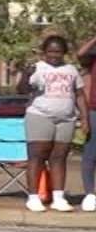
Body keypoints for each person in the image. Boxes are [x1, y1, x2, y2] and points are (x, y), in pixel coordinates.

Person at [21, 35, 86, 213]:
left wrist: (84, 119)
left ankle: (58, 197)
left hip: (66, 118)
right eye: (50, 51)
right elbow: (22, 90)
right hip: (40, 115)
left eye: (58, 52)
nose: (54, 55)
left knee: (59, 157)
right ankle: (33, 197)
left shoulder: (71, 70)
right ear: (44, 52)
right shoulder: (38, 68)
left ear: (64, 53)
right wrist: (26, 74)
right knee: (37, 155)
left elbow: (79, 94)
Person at [81, 36, 96, 211]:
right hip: (94, 110)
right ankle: (90, 194)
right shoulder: (93, 59)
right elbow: (80, 53)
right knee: (90, 154)